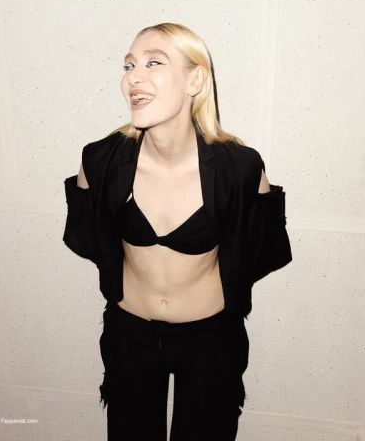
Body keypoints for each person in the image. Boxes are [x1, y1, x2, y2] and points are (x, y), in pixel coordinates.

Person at [63, 22, 293, 441]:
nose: (134, 77)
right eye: (129, 65)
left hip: (210, 340)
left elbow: (259, 251)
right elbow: (91, 239)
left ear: (195, 80)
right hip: (130, 336)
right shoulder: (100, 161)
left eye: (153, 63)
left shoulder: (240, 169)